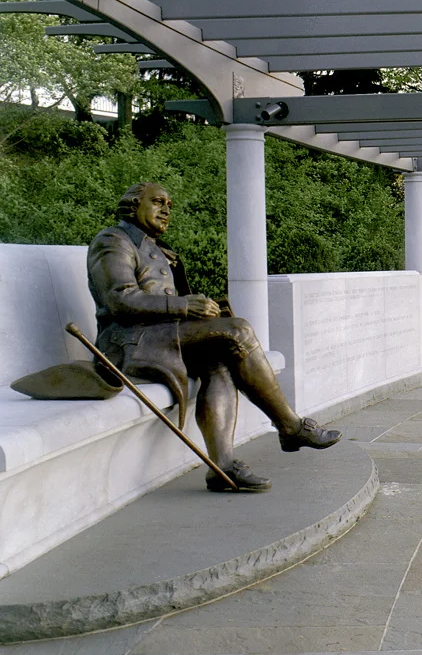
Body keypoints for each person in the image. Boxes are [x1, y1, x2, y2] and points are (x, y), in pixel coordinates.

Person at [86, 182, 340, 493]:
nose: (166, 209)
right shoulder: (113, 241)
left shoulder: (153, 247)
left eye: (169, 204)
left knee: (218, 363)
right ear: (132, 205)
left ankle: (222, 466)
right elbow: (119, 300)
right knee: (238, 330)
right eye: (157, 202)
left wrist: (197, 308)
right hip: (128, 343)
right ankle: (290, 427)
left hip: (158, 337)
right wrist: (183, 306)